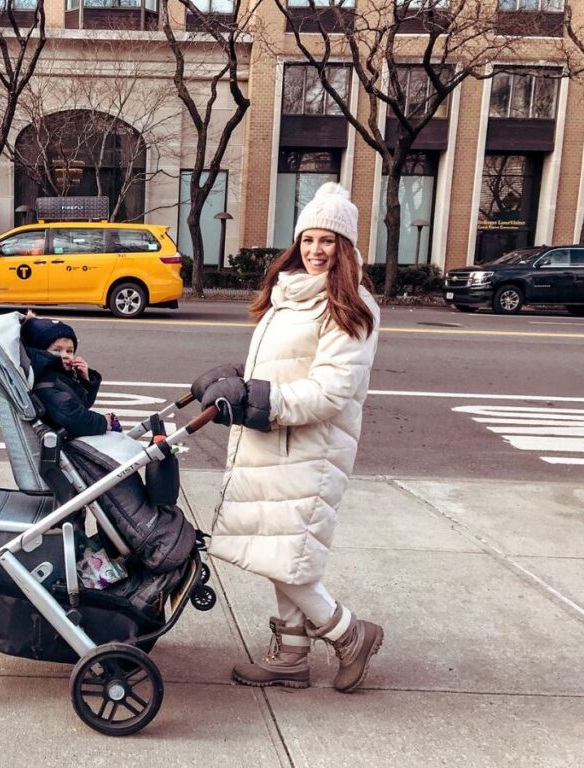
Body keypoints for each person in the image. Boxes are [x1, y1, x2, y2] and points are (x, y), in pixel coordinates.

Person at [191, 182, 382, 693]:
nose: (316, 251)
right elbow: (281, 367)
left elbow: (330, 392)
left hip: (309, 448)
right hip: (271, 441)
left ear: (347, 248)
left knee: (288, 557)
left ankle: (348, 633)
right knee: (278, 551)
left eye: (329, 241)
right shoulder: (290, 293)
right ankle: (290, 655)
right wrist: (235, 375)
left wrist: (255, 398)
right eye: (309, 239)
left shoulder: (349, 305)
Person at [20, 315, 115, 438]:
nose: (65, 355)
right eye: (57, 350)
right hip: (65, 443)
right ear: (40, 351)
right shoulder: (45, 384)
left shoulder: (58, 376)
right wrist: (103, 422)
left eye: (69, 351)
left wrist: (84, 380)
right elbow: (71, 417)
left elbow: (81, 404)